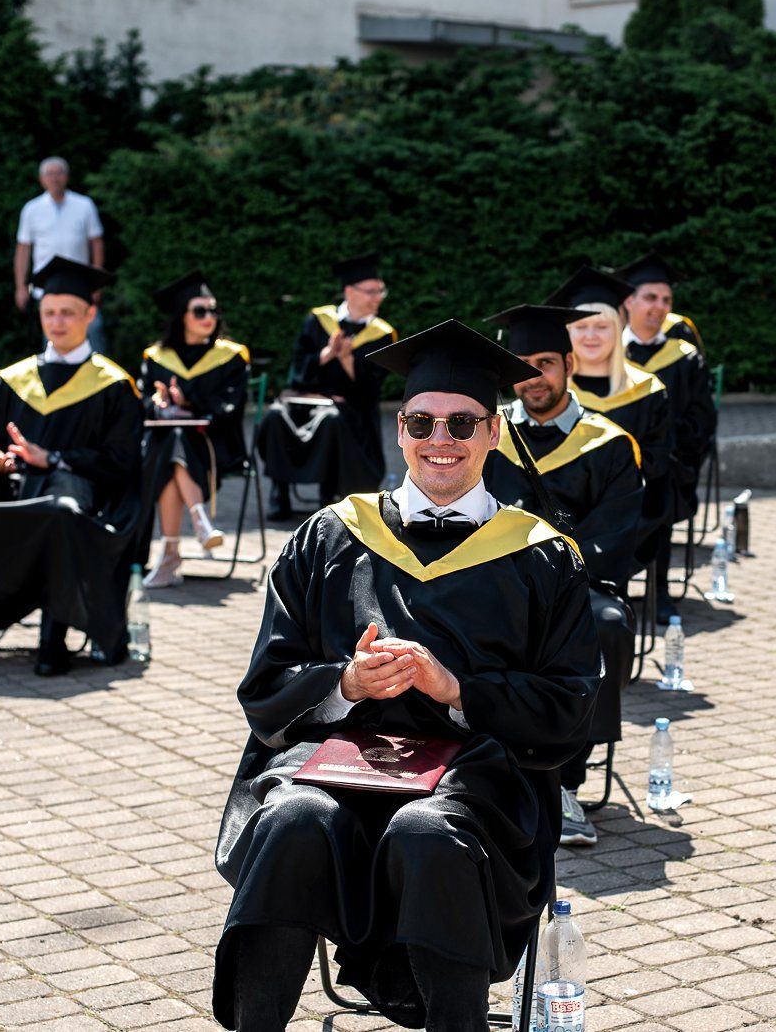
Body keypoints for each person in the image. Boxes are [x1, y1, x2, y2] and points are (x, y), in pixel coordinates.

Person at [211, 318, 600, 1031]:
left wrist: (458, 691)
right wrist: (346, 684)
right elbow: (265, 686)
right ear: (400, 431)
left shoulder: (541, 556)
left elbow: (570, 705)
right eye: (422, 421)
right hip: (337, 764)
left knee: (426, 832)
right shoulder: (330, 535)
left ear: (494, 432)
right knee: (294, 818)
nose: (440, 438)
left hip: (476, 776)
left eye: (462, 423)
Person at [0, 257, 142, 677]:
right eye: (49, 312)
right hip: (11, 485)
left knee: (60, 510)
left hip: (76, 487)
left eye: (67, 312)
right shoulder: (15, 379)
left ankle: (53, 638)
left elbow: (121, 462)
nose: (57, 322)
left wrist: (53, 458)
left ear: (90, 314)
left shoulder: (113, 385)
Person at [484, 303, 644, 847]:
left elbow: (615, 535)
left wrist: (548, 578)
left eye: (546, 363)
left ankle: (565, 783)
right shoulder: (486, 437)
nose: (534, 377)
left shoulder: (610, 443)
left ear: (570, 364)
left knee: (605, 626)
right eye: (523, 366)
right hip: (495, 582)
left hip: (580, 585)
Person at [255, 252, 397, 519]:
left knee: (330, 420)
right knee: (274, 416)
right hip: (306, 402)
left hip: (350, 410)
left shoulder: (382, 334)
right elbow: (298, 369)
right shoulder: (318, 320)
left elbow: (372, 389)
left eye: (380, 291)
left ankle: (328, 492)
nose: (378, 297)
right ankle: (279, 491)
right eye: (371, 291)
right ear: (350, 292)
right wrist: (327, 354)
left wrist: (347, 361)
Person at [553, 266, 673, 575]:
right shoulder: (551, 394)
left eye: (602, 326)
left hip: (628, 516)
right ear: (567, 334)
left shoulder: (647, 391)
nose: (591, 336)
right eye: (581, 326)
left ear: (618, 330)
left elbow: (657, 464)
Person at [616, 252, 716, 614]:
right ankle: (611, 587)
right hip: (612, 462)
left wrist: (664, 444)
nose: (659, 307)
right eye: (650, 297)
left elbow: (702, 419)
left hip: (667, 460)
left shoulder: (685, 357)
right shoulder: (606, 354)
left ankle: (659, 589)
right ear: (629, 301)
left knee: (659, 484)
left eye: (666, 300)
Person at [139, 270, 251, 588]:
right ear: (181, 317)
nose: (209, 317)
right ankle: (199, 520)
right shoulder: (157, 357)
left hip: (214, 447)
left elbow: (230, 408)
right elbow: (143, 403)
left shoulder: (232, 356)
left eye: (213, 310)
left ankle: (170, 555)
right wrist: (159, 403)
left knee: (172, 451)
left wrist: (189, 401)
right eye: (200, 311)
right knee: (173, 442)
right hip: (170, 446)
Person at [14, 157, 106, 350]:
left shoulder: (84, 204)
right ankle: (53, 369)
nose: (54, 178)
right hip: (47, 285)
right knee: (53, 331)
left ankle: (98, 368)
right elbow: (23, 249)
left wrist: (97, 282)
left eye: (59, 173)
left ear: (67, 177)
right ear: (42, 179)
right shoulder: (32, 209)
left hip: (80, 282)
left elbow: (96, 242)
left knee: (93, 328)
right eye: (49, 174)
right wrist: (20, 286)